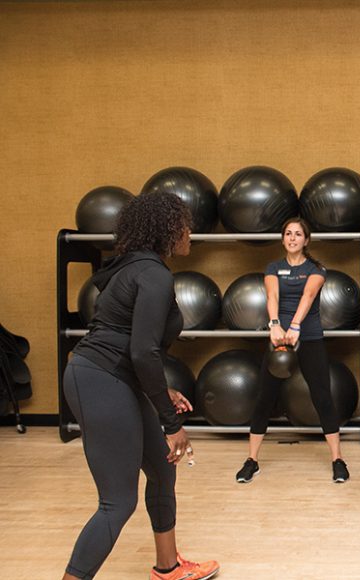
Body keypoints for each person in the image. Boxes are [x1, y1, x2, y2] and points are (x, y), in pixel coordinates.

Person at [62, 191, 219, 580]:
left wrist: (162, 392)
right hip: (100, 379)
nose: (189, 233)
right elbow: (143, 351)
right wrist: (172, 423)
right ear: (168, 229)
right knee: (117, 502)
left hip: (112, 377)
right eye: (184, 225)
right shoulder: (153, 274)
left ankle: (167, 567)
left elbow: (131, 345)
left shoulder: (136, 267)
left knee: (163, 469)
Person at [236, 217, 349, 485]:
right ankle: (252, 460)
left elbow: (307, 297)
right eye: (288, 233)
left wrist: (295, 325)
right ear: (283, 238)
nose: (293, 238)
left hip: (309, 337)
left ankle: (338, 460)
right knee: (264, 398)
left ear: (306, 240)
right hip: (279, 340)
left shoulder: (316, 269)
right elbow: (272, 296)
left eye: (298, 234)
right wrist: (275, 325)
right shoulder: (273, 268)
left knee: (322, 397)